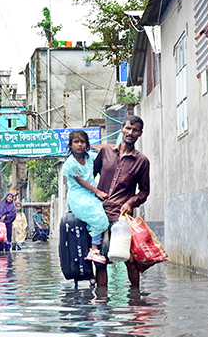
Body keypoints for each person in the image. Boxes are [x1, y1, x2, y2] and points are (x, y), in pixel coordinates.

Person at [94, 116, 150, 287]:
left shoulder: (142, 161)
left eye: (135, 130)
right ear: (122, 129)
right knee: (100, 260)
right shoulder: (105, 152)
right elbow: (91, 175)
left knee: (130, 259)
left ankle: (135, 299)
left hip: (121, 217)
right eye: (128, 128)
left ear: (140, 133)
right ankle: (101, 304)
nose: (130, 133)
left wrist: (131, 202)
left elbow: (145, 191)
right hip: (99, 214)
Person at [62, 130, 110, 264]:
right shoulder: (70, 164)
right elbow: (81, 181)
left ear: (87, 144)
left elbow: (103, 161)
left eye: (82, 142)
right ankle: (94, 250)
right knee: (98, 217)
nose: (79, 145)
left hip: (91, 192)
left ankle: (106, 250)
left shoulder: (91, 157)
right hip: (78, 195)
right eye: (76, 142)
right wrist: (97, 191)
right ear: (70, 145)